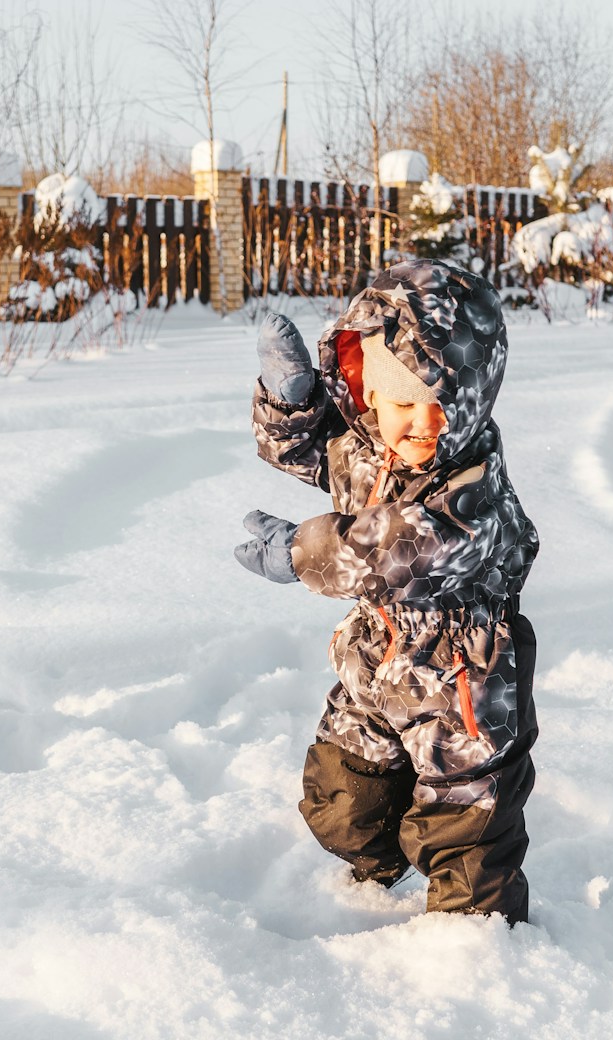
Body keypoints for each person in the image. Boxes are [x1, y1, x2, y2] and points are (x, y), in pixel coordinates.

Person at [235, 259, 541, 921]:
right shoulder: (374, 448)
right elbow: (316, 450)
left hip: (463, 680)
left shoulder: (475, 486)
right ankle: (385, 850)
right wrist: (291, 403)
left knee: (465, 837)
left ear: (473, 398)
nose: (419, 423)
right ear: (367, 392)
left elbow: (408, 545)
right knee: (340, 805)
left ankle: (482, 949)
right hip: (377, 663)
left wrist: (299, 552)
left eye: (440, 404)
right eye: (400, 402)